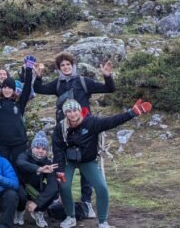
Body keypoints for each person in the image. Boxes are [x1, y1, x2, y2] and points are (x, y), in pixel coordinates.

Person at [33, 51, 117, 217]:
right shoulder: (58, 84)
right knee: (63, 164)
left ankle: (86, 202)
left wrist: (107, 76)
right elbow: (39, 89)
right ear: (59, 68)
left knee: (86, 165)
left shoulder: (84, 82)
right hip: (65, 132)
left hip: (86, 131)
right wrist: (38, 76)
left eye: (68, 64)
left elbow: (109, 88)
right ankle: (63, 199)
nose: (65, 67)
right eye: (62, 65)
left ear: (73, 66)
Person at [54, 98, 151, 228]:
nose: (73, 114)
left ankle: (103, 222)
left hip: (88, 160)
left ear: (79, 110)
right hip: (68, 160)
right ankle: (70, 217)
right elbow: (58, 148)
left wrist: (132, 113)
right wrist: (60, 169)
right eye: (69, 111)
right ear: (65, 113)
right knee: (64, 186)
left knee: (102, 188)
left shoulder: (92, 122)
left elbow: (111, 122)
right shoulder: (60, 127)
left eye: (75, 110)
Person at [0, 52, 33, 165]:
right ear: (1, 89)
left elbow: (27, 88)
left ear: (13, 90)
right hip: (2, 143)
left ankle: (21, 183)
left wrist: (29, 69)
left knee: (19, 167)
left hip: (19, 143)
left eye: (9, 88)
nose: (7, 90)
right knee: (4, 167)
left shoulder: (19, 103)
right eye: (4, 87)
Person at [14, 131, 59, 228]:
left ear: (47, 151)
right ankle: (19, 211)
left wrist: (36, 203)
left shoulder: (48, 162)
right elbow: (20, 163)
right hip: (21, 186)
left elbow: (53, 186)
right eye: (37, 147)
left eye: (44, 149)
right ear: (32, 148)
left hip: (35, 189)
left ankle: (39, 212)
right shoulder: (24, 155)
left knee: (55, 188)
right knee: (20, 194)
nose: (40, 151)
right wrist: (39, 169)